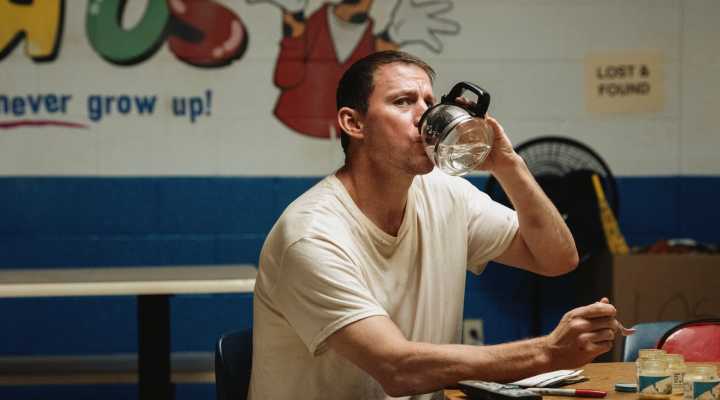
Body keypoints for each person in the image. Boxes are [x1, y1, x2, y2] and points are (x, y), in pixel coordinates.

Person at [249, 50, 631, 400]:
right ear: (354, 123)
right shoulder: (311, 236)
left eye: (429, 103)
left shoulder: (446, 193)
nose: (424, 116)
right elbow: (396, 368)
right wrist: (548, 352)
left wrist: (507, 164)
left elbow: (557, 259)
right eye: (403, 102)